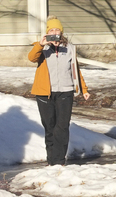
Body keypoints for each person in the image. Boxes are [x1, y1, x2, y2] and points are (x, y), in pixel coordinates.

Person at [28, 17, 90, 166]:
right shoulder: (42, 48)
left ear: (61, 32)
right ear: (47, 32)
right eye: (51, 30)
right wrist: (40, 44)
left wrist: (83, 89)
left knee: (62, 127)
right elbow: (31, 58)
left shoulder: (69, 47)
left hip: (65, 91)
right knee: (49, 126)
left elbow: (75, 69)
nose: (54, 32)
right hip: (45, 92)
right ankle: (51, 160)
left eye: (57, 30)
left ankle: (59, 161)